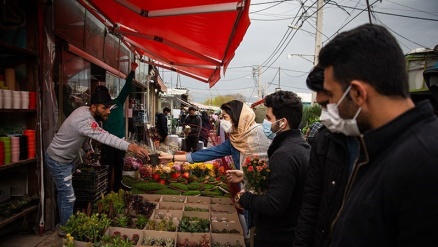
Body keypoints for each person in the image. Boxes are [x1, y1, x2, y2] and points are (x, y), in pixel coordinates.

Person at [318, 24, 438, 246]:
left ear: (357, 93)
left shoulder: (426, 162)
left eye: (332, 95)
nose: (331, 105)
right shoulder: (379, 147)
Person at [160, 100, 272, 244]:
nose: (221, 120)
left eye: (225, 117)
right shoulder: (235, 139)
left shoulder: (264, 135)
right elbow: (209, 153)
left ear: (237, 116)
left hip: (270, 194)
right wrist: (174, 157)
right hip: (248, 191)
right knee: (254, 230)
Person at [45, 85, 150, 232]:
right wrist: (131, 147)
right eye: (104, 108)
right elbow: (105, 137)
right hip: (58, 160)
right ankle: (66, 229)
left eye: (109, 107)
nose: (108, 111)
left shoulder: (84, 111)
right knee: (68, 196)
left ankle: (63, 223)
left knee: (64, 193)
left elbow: (82, 135)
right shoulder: (85, 121)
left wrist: (87, 149)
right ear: (93, 107)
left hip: (66, 159)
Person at [228, 90, 310, 247]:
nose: (264, 123)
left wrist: (244, 199)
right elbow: (283, 185)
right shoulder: (300, 146)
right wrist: (246, 176)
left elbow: (274, 205)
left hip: (277, 237)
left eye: (268, 118)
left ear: (282, 122)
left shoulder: (285, 154)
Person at [294, 65, 356, 247]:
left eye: (327, 104)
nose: (324, 115)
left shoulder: (397, 147)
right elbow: (312, 201)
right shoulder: (325, 138)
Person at [101, 62, 138, 192]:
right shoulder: (100, 110)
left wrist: (132, 71)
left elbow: (127, 87)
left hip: (120, 142)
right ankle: (105, 191)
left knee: (118, 166)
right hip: (107, 143)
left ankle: (118, 188)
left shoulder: (118, 102)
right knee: (107, 167)